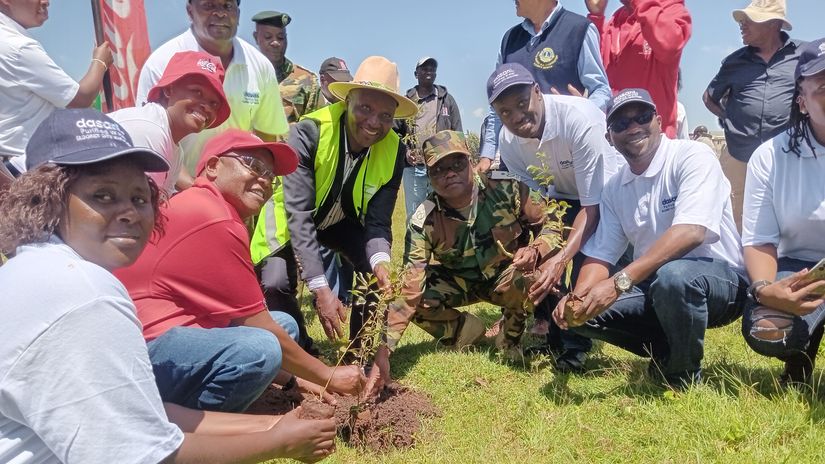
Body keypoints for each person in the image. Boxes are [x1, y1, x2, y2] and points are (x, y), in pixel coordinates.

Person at [0, 108, 336, 463]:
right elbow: (140, 455)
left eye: (139, 197)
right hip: (154, 347)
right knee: (262, 345)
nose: (130, 212)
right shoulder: (84, 295)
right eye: (102, 195)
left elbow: (151, 411)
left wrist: (273, 426)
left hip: (155, 344)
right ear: (48, 197)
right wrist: (280, 442)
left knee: (272, 335)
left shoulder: (42, 267)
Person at [116, 128, 364, 412]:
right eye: (254, 166)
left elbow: (249, 319)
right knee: (261, 349)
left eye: (271, 177)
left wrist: (298, 379)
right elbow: (257, 325)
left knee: (284, 325)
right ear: (212, 166)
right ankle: (193, 423)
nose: (265, 181)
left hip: (167, 337)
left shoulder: (212, 207)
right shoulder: (213, 217)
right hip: (141, 357)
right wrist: (328, 375)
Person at [553, 89, 748, 388]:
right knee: (586, 313)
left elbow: (691, 232)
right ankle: (668, 348)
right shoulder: (615, 188)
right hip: (655, 286)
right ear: (609, 137)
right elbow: (601, 254)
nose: (633, 128)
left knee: (675, 277)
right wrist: (577, 298)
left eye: (641, 117)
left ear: (658, 121)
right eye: (620, 124)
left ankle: (681, 376)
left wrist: (619, 283)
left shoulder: (691, 156)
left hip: (720, 281)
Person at [366, 130, 565, 394]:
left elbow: (554, 223)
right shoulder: (423, 219)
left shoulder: (508, 188)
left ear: (471, 162)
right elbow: (409, 288)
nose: (449, 173)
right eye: (438, 169)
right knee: (408, 297)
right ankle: (464, 332)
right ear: (429, 175)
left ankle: (511, 336)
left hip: (505, 277)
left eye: (457, 164)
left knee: (531, 278)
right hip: (459, 281)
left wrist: (536, 250)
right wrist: (384, 351)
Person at [250, 56, 415, 353]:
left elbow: (377, 223)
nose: (374, 123)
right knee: (275, 282)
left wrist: (382, 263)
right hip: (290, 219)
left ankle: (359, 352)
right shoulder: (308, 132)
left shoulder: (394, 150)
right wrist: (320, 288)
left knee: (373, 270)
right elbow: (299, 215)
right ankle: (300, 351)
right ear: (348, 100)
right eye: (365, 108)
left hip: (337, 221)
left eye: (386, 116)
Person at [488, 62, 622, 371]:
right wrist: (541, 249)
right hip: (561, 197)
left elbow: (592, 208)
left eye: (522, 104)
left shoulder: (578, 119)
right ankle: (550, 327)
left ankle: (576, 346)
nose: (517, 117)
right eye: (506, 113)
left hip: (606, 196)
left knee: (586, 263)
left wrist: (560, 258)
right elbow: (540, 207)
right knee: (537, 256)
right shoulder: (509, 142)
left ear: (537, 92)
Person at [740, 38, 825, 386]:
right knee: (766, 329)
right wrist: (764, 289)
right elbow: (760, 239)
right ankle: (799, 354)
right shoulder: (770, 157)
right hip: (801, 270)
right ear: (801, 102)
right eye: (824, 87)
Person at [136, 0, 288, 176]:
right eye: (209, 5)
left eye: (227, 6)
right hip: (173, 188)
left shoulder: (260, 66)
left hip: (234, 191)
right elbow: (151, 136)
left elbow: (266, 134)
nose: (220, 13)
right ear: (190, 12)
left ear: (238, 15)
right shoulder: (162, 61)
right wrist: (195, 190)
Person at [478, 0, 612, 173]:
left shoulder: (578, 29)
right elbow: (497, 105)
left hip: (566, 158)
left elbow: (601, 90)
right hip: (521, 162)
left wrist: (581, 112)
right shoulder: (510, 39)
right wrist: (487, 155)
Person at [703, 0, 801, 231]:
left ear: (773, 24)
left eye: (750, 20)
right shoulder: (733, 62)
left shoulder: (803, 55)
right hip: (739, 155)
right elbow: (709, 97)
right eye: (742, 20)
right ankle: (739, 267)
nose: (742, 25)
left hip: (788, 157)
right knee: (737, 218)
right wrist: (729, 120)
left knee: (788, 219)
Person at [0, 0, 113, 177]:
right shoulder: (18, 47)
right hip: (28, 168)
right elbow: (81, 98)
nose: (46, 1)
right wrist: (100, 62)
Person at [110, 50, 230, 194]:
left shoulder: (175, 149)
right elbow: (139, 206)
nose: (206, 106)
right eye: (197, 92)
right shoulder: (151, 130)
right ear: (168, 90)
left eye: (214, 103)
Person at [585, 0, 692, 138]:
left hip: (653, 146)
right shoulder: (616, 21)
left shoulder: (671, 10)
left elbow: (669, 44)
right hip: (614, 141)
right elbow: (594, 69)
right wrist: (596, 16)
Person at [401, 56, 463, 219]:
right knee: (416, 215)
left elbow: (458, 132)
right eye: (424, 69)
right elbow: (396, 133)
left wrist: (457, 163)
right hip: (415, 169)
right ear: (416, 74)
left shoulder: (447, 100)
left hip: (441, 166)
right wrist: (406, 152)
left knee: (441, 210)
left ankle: (440, 244)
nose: (429, 72)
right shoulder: (408, 101)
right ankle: (415, 244)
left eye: (432, 69)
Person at [252, 10, 320, 123]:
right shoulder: (242, 76)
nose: (275, 43)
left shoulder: (307, 80)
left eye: (280, 37)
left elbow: (317, 126)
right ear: (256, 38)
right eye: (268, 37)